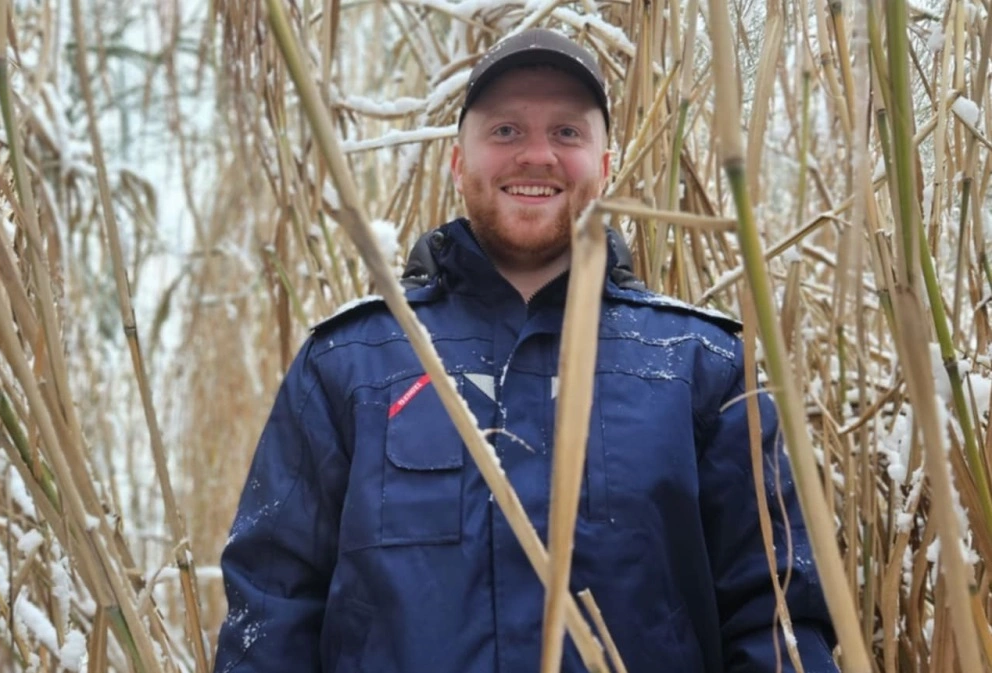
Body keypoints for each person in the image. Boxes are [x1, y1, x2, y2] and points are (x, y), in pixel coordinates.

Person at [213, 28, 838, 673]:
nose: (536, 155)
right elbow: (271, 606)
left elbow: (776, 617)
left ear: (606, 163)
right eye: (506, 130)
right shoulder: (352, 362)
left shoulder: (700, 366)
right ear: (459, 164)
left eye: (567, 132)